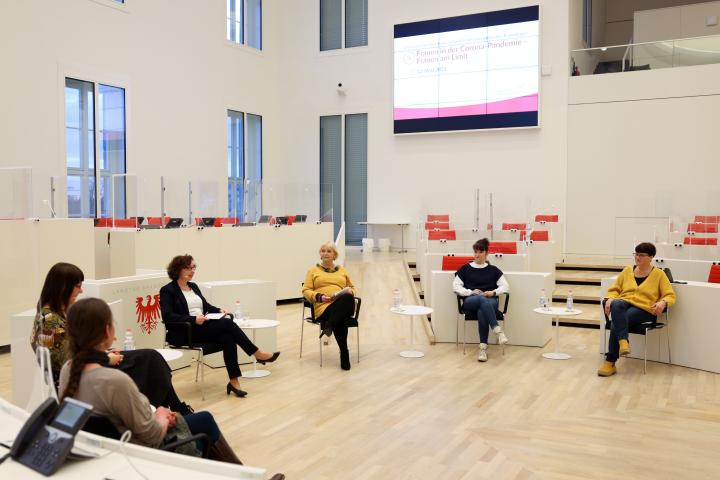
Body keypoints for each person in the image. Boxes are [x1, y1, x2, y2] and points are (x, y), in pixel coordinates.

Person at [58, 297, 243, 464]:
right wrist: (162, 416)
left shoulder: (68, 371)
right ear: (107, 331)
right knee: (205, 420)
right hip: (140, 453)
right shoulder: (115, 382)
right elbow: (152, 436)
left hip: (106, 453)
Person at [30, 262, 193, 415]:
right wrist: (105, 358)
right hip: (84, 376)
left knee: (152, 360)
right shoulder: (50, 320)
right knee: (151, 361)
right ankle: (170, 410)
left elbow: (74, 353)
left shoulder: (51, 315)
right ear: (63, 287)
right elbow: (68, 362)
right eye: (78, 286)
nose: (81, 291)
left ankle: (167, 409)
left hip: (89, 366)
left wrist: (103, 353)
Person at [159, 255, 280, 397]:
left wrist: (218, 310)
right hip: (186, 331)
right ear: (177, 269)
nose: (192, 271)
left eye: (194, 267)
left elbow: (206, 306)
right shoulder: (168, 290)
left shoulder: (193, 287)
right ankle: (257, 354)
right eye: (188, 268)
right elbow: (167, 316)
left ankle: (234, 382)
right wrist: (193, 319)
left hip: (202, 326)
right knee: (228, 323)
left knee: (228, 337)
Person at [598, 242, 676, 377]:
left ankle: (610, 361)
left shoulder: (659, 274)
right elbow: (615, 289)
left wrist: (663, 302)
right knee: (616, 305)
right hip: (624, 303)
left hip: (645, 309)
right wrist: (610, 297)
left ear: (651, 257)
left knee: (619, 320)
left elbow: (670, 295)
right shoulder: (627, 270)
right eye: (636, 254)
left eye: (641, 255)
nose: (637, 257)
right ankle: (623, 342)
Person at [302, 241, 357, 371]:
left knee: (348, 297)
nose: (325, 253)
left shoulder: (342, 270)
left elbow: (353, 288)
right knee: (341, 319)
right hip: (324, 307)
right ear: (320, 255)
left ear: (334, 255)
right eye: (323, 251)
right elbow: (305, 290)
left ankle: (329, 325)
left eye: (329, 251)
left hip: (342, 304)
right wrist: (319, 297)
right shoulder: (312, 271)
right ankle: (344, 353)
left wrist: (350, 291)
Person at [453, 238, 510, 362]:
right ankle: (496, 329)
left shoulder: (493, 270)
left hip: (490, 301)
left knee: (482, 310)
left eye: (480, 252)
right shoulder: (465, 268)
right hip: (471, 300)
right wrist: (470, 292)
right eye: (475, 252)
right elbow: (456, 286)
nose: (477, 255)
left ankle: (483, 349)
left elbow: (505, 286)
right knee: (481, 300)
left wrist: (493, 292)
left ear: (486, 253)